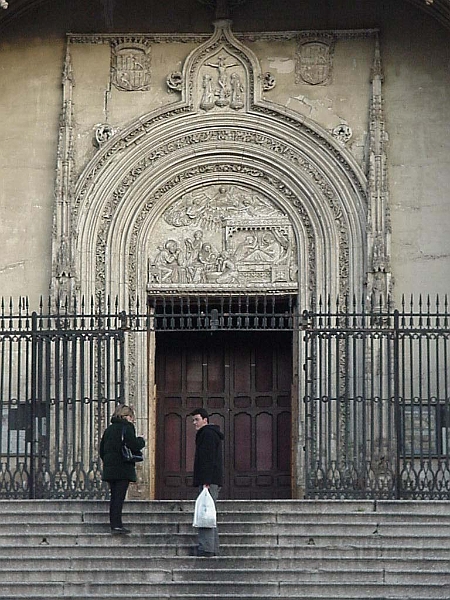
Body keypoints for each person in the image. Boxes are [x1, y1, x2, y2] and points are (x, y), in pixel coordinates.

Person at [99, 404, 145, 534]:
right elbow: (133, 444)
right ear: (125, 416)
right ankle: (117, 525)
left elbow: (102, 450)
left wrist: (109, 462)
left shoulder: (109, 429)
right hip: (123, 469)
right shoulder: (127, 427)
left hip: (110, 469)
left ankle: (115, 524)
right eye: (131, 417)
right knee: (119, 497)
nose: (133, 419)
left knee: (114, 497)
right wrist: (141, 440)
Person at [190, 408, 224, 557]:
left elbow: (207, 459)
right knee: (210, 513)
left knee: (205, 512)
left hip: (208, 480)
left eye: (197, 419)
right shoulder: (209, 434)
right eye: (193, 420)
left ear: (205, 419)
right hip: (210, 479)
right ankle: (212, 546)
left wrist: (206, 481)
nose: (194, 423)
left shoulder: (207, 434)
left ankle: (206, 547)